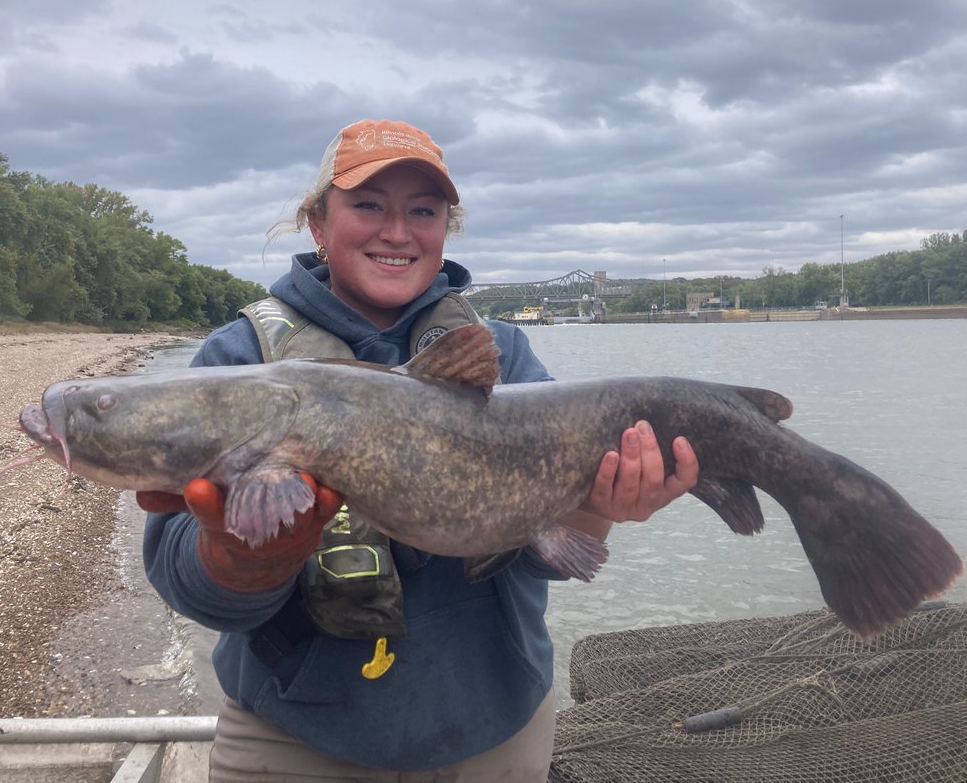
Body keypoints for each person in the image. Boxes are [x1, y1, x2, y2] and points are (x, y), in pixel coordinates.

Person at [138, 119, 699, 781]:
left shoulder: (505, 356)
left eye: (423, 212)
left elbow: (546, 559)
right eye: (368, 205)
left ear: (445, 228)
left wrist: (597, 507)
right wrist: (240, 563)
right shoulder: (238, 360)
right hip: (293, 735)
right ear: (318, 222)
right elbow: (186, 584)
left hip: (494, 730)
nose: (397, 232)